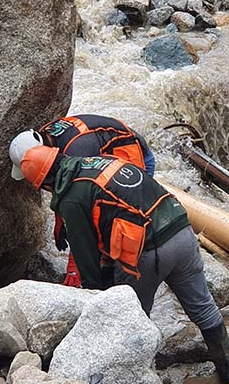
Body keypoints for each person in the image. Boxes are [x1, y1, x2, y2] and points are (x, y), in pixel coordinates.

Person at [9, 141, 229, 384]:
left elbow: (86, 260)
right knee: (202, 306)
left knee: (133, 320)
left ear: (44, 184)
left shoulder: (71, 198)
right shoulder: (100, 161)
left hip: (150, 252)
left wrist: (97, 302)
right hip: (182, 229)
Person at [9, 114, 156, 287]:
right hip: (109, 154)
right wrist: (59, 220)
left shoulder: (77, 149)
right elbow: (62, 185)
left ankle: (132, 274)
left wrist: (75, 266)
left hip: (134, 157)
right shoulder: (45, 137)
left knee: (120, 227)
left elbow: (81, 215)